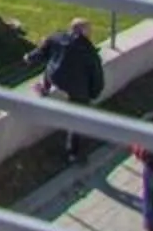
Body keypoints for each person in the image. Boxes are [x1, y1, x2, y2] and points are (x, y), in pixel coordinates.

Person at [20, 18, 104, 157]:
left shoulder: (57, 37)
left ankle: (45, 89)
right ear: (83, 31)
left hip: (55, 78)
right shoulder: (90, 52)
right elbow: (96, 76)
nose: (91, 33)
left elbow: (42, 52)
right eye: (89, 30)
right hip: (77, 88)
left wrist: (29, 57)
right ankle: (73, 153)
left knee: (50, 67)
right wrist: (93, 94)